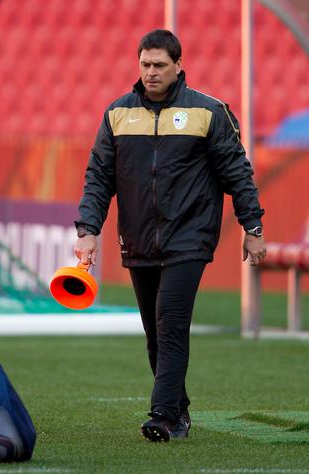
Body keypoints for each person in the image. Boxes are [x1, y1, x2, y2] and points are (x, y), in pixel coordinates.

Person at [74, 29, 267, 442]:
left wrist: (253, 228)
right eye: (145, 65)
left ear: (178, 66)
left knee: (171, 323)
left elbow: (238, 173)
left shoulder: (208, 112)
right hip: (139, 240)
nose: (151, 73)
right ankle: (178, 410)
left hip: (190, 238)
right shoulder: (117, 115)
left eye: (160, 65)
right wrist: (88, 230)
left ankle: (162, 416)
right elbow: (98, 178)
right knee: (154, 333)